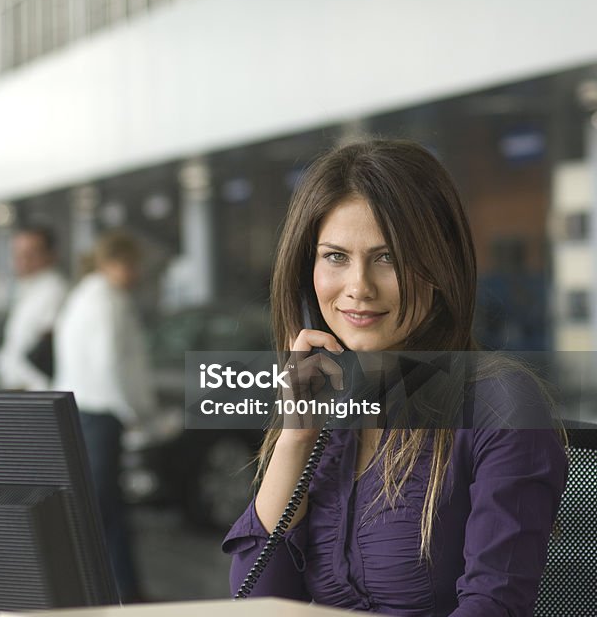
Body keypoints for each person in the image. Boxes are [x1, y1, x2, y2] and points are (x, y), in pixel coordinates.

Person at [222, 139, 567, 615]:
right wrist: (295, 438)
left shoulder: (499, 402)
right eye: (336, 257)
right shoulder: (328, 406)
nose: (359, 287)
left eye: (388, 258)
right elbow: (258, 601)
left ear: (438, 267)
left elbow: (495, 606)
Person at [53, 230, 157, 603]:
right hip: (102, 413)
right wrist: (133, 413)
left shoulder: (85, 296)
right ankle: (122, 593)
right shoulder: (106, 300)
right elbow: (110, 362)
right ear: (117, 263)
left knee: (100, 508)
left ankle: (116, 590)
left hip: (85, 412)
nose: (137, 273)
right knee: (105, 510)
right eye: (134, 265)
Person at [0, 225, 69, 390]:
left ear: (51, 255)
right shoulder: (28, 289)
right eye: (17, 253)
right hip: (21, 391)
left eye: (31, 253)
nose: (23, 260)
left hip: (37, 392)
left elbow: (47, 350)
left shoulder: (55, 291)